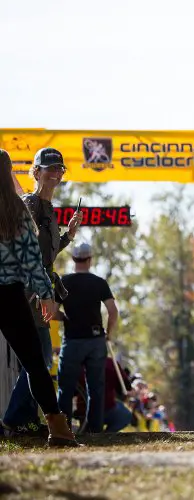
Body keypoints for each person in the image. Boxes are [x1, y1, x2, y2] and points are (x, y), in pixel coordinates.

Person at [0, 149, 78, 446]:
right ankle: (56, 430)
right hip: (10, 293)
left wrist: (67, 237)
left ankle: (29, 421)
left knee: (37, 359)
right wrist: (45, 294)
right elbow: (31, 259)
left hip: (15, 291)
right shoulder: (18, 208)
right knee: (35, 361)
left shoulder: (26, 208)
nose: (56, 173)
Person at [55, 243, 118, 433]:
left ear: (74, 259)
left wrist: (64, 317)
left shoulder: (64, 281)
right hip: (96, 340)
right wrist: (108, 333)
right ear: (89, 260)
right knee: (96, 388)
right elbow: (113, 311)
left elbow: (50, 311)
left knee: (66, 388)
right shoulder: (99, 283)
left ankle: (63, 431)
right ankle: (95, 431)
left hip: (73, 340)